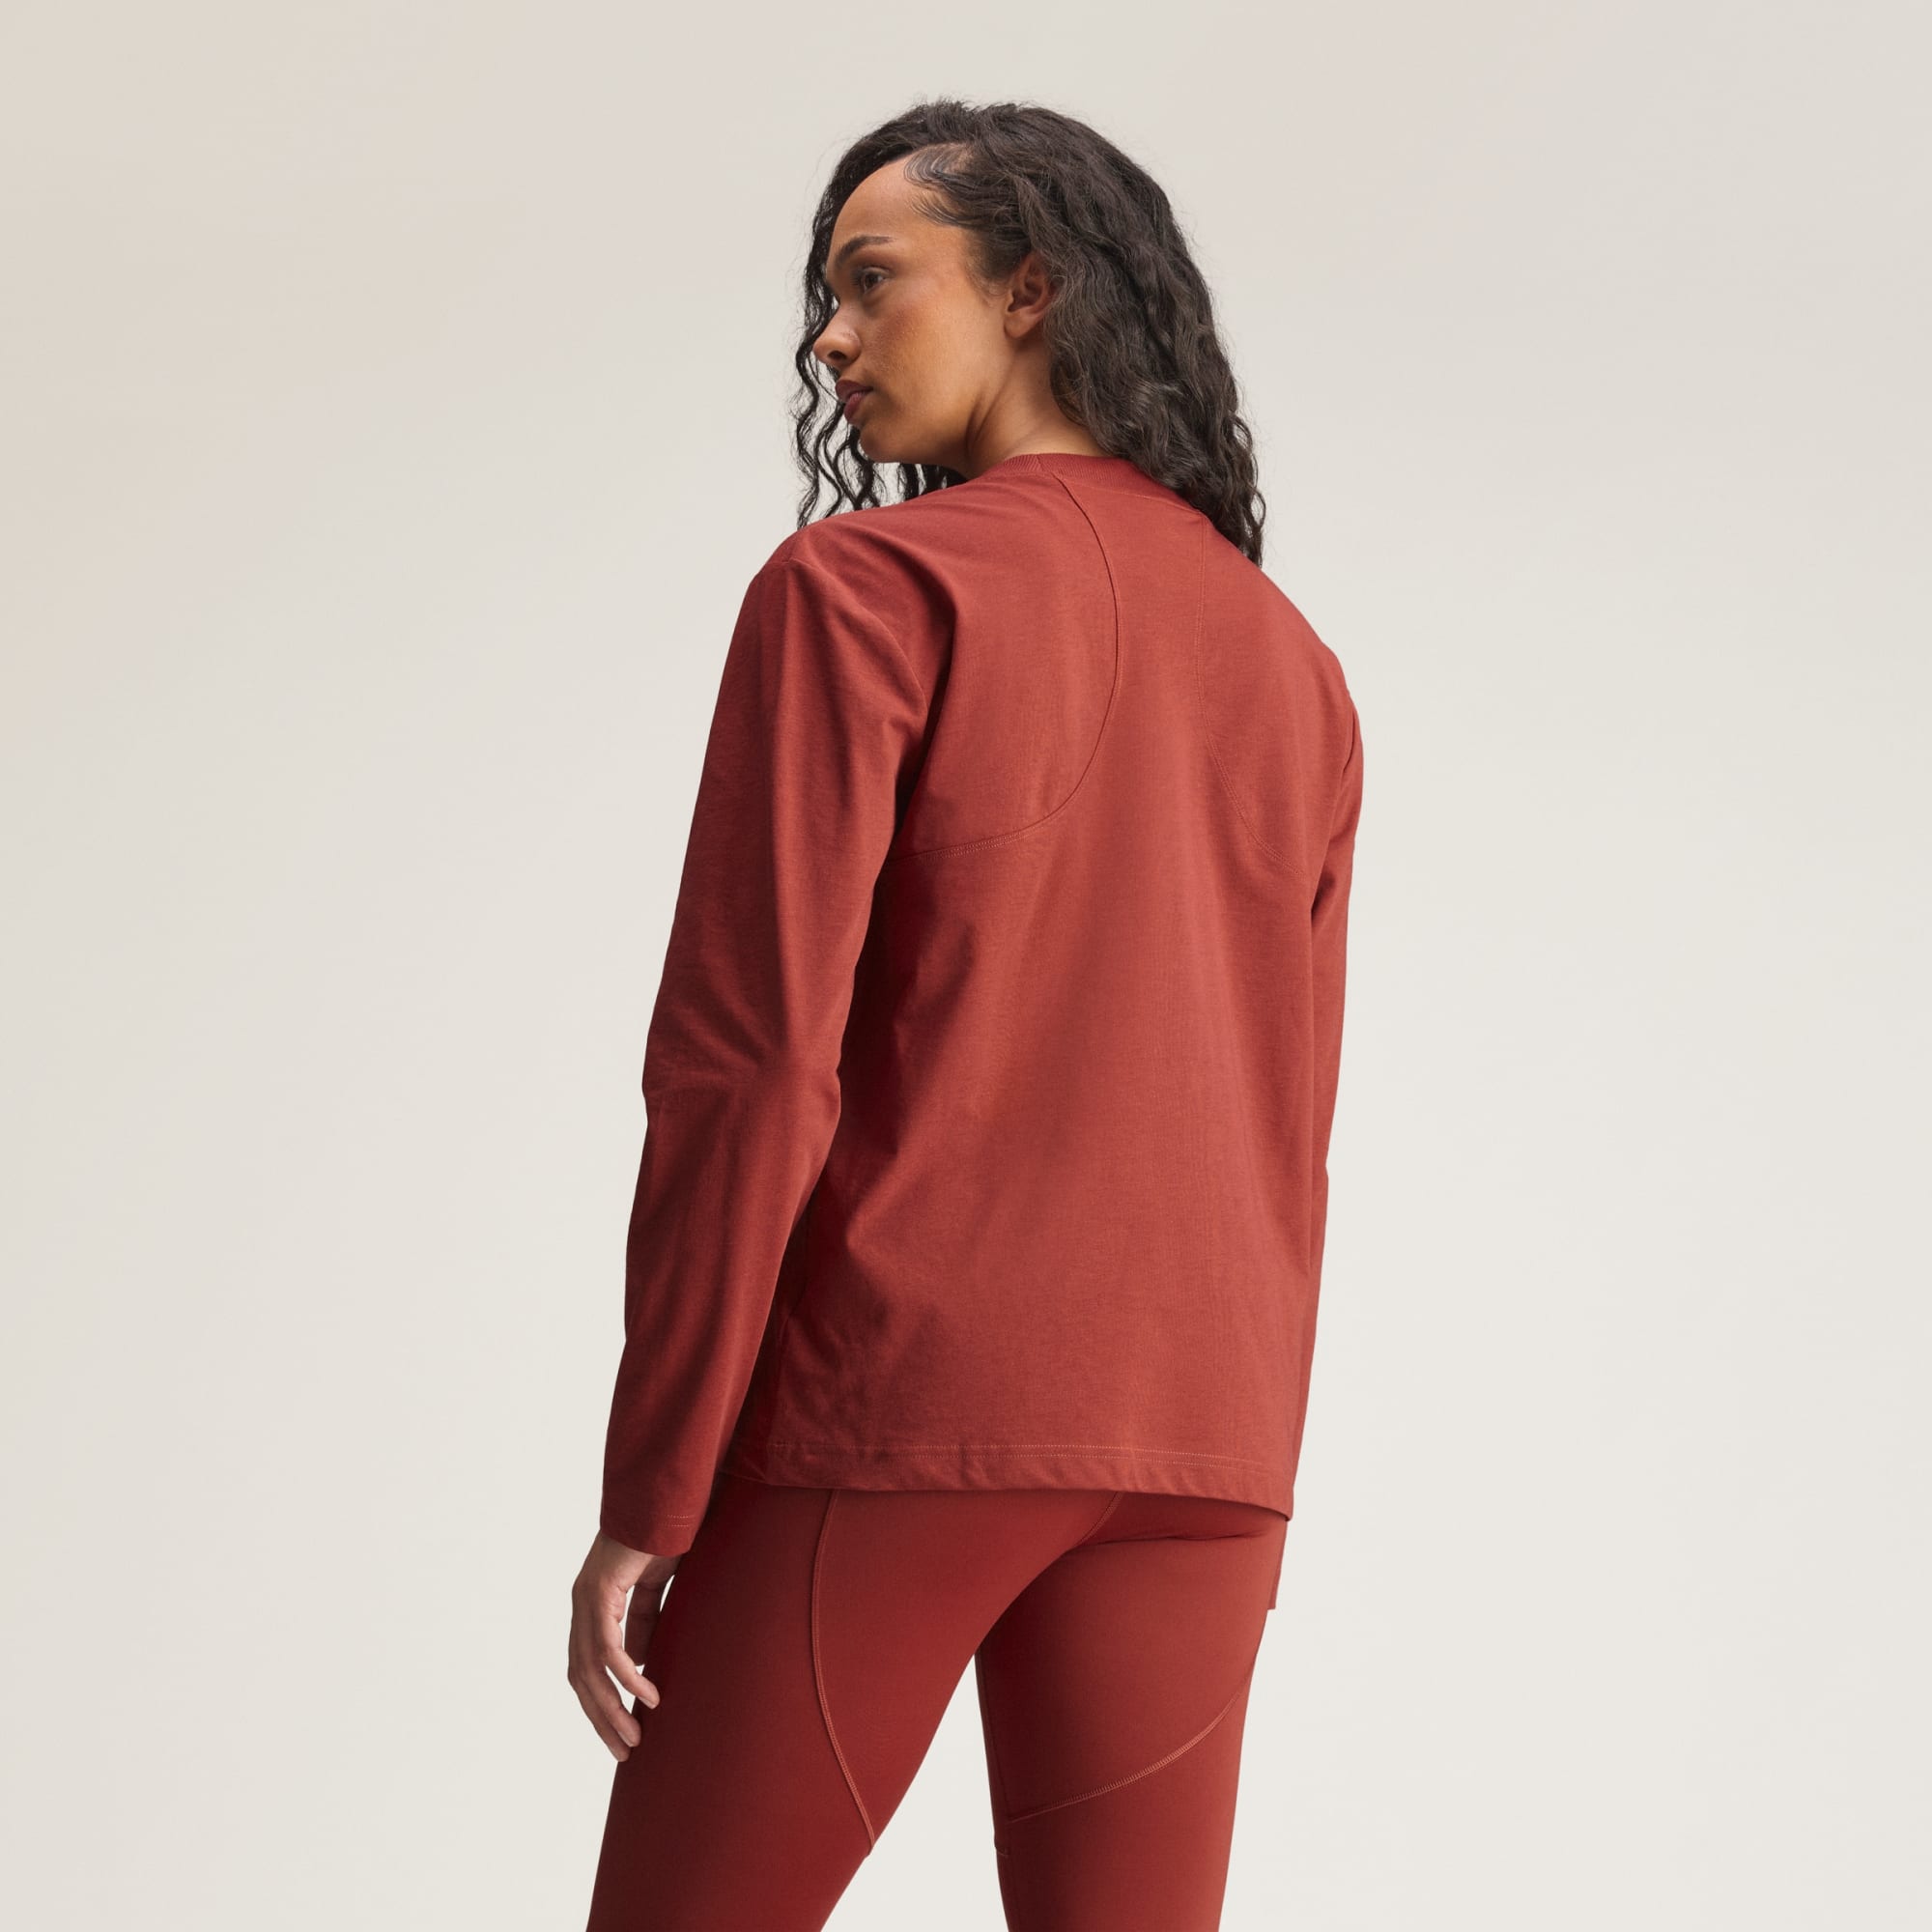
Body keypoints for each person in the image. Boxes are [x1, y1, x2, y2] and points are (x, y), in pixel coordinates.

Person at [569, 97, 1364, 1932]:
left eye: (871, 282)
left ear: (1031, 289)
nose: (828, 339)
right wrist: (1246, 1448)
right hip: (1204, 1445)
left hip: (907, 1407)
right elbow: (1291, 1121)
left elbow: (748, 1071)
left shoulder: (863, 590)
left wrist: (653, 1489)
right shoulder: (1293, 663)